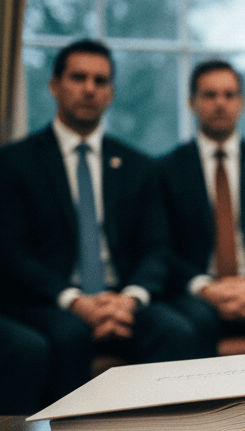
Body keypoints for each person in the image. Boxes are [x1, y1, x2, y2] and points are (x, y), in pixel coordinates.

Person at [0, 39, 200, 403]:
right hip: (51, 301)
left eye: (100, 80)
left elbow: (157, 247)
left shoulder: (138, 165)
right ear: (54, 85)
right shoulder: (16, 162)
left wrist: (130, 299)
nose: (89, 88)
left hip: (122, 298)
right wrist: (75, 301)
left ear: (111, 92)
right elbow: (13, 253)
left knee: (179, 332)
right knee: (68, 336)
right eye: (79, 77)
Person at [159, 61, 245, 356]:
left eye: (229, 94)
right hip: (196, 293)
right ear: (192, 103)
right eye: (209, 95)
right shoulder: (167, 169)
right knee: (192, 324)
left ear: (242, 102)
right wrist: (205, 288)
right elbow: (162, 248)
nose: (220, 103)